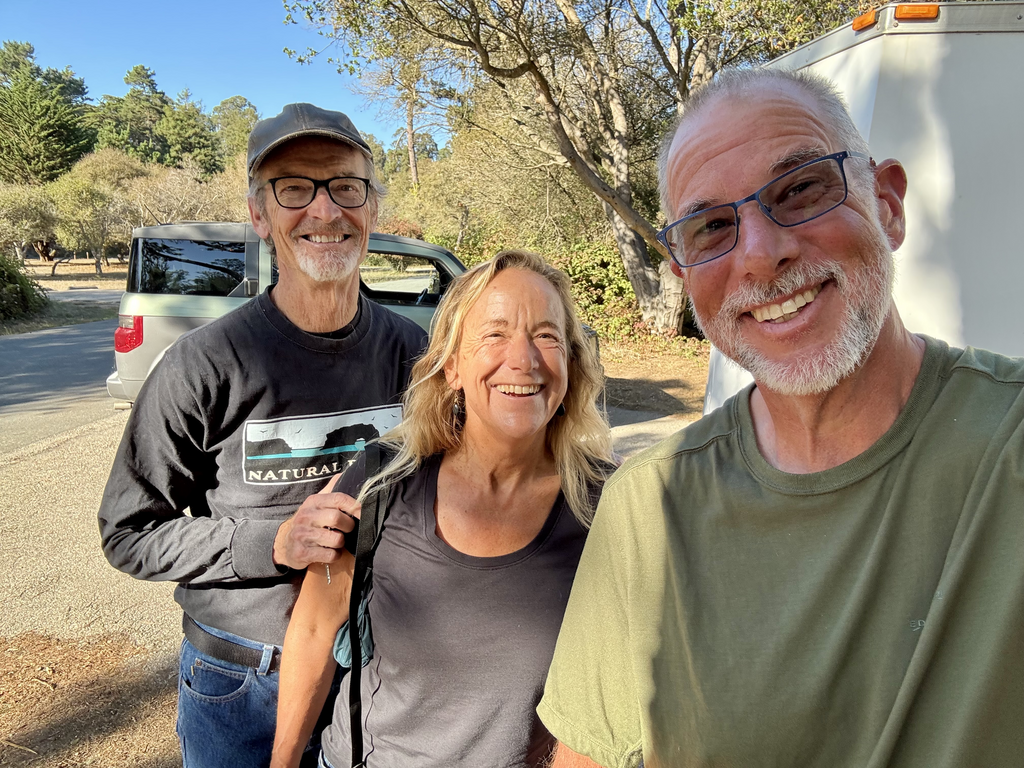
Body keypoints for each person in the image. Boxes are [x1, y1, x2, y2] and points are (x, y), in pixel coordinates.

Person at [539, 68, 1024, 768]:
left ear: (888, 205)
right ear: (684, 276)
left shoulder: (1008, 442)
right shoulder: (648, 507)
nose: (762, 255)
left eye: (799, 190)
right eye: (711, 227)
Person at [98, 103, 429, 767]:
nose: (325, 210)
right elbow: (127, 533)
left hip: (373, 669)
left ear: (371, 207)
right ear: (259, 214)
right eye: (294, 189)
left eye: (345, 186)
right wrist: (272, 543)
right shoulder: (203, 364)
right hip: (242, 682)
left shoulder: (413, 354)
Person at [270, 250, 614, 768]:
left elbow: (616, 690)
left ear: (571, 362)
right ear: (452, 366)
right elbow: (316, 628)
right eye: (494, 334)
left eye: (547, 336)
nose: (524, 359)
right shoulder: (385, 479)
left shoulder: (605, 505)